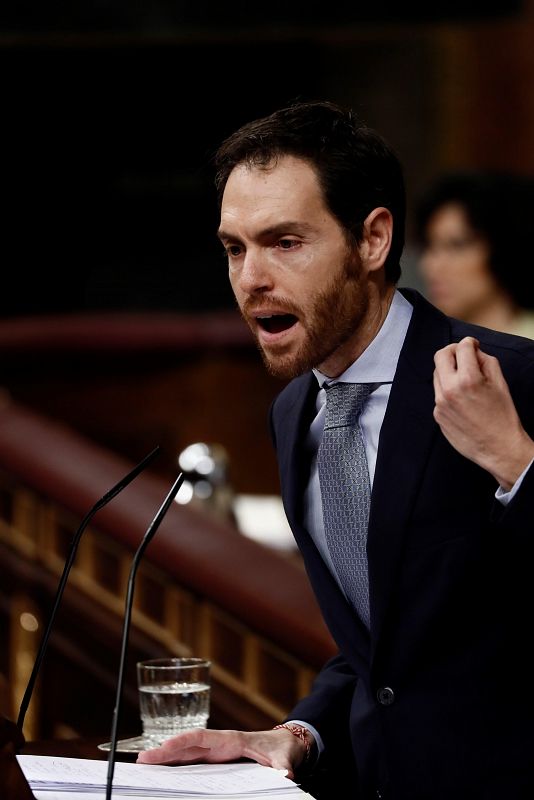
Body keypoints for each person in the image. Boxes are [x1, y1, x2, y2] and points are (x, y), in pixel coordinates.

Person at [137, 100, 534, 799]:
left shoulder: (515, 380)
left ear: (373, 239)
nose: (251, 278)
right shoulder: (294, 413)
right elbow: (387, 652)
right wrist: (298, 734)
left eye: (285, 242)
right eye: (235, 248)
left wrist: (517, 466)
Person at [415, 170, 534, 337]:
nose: (431, 265)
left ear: (503, 248)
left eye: (457, 245)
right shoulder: (426, 343)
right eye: (429, 246)